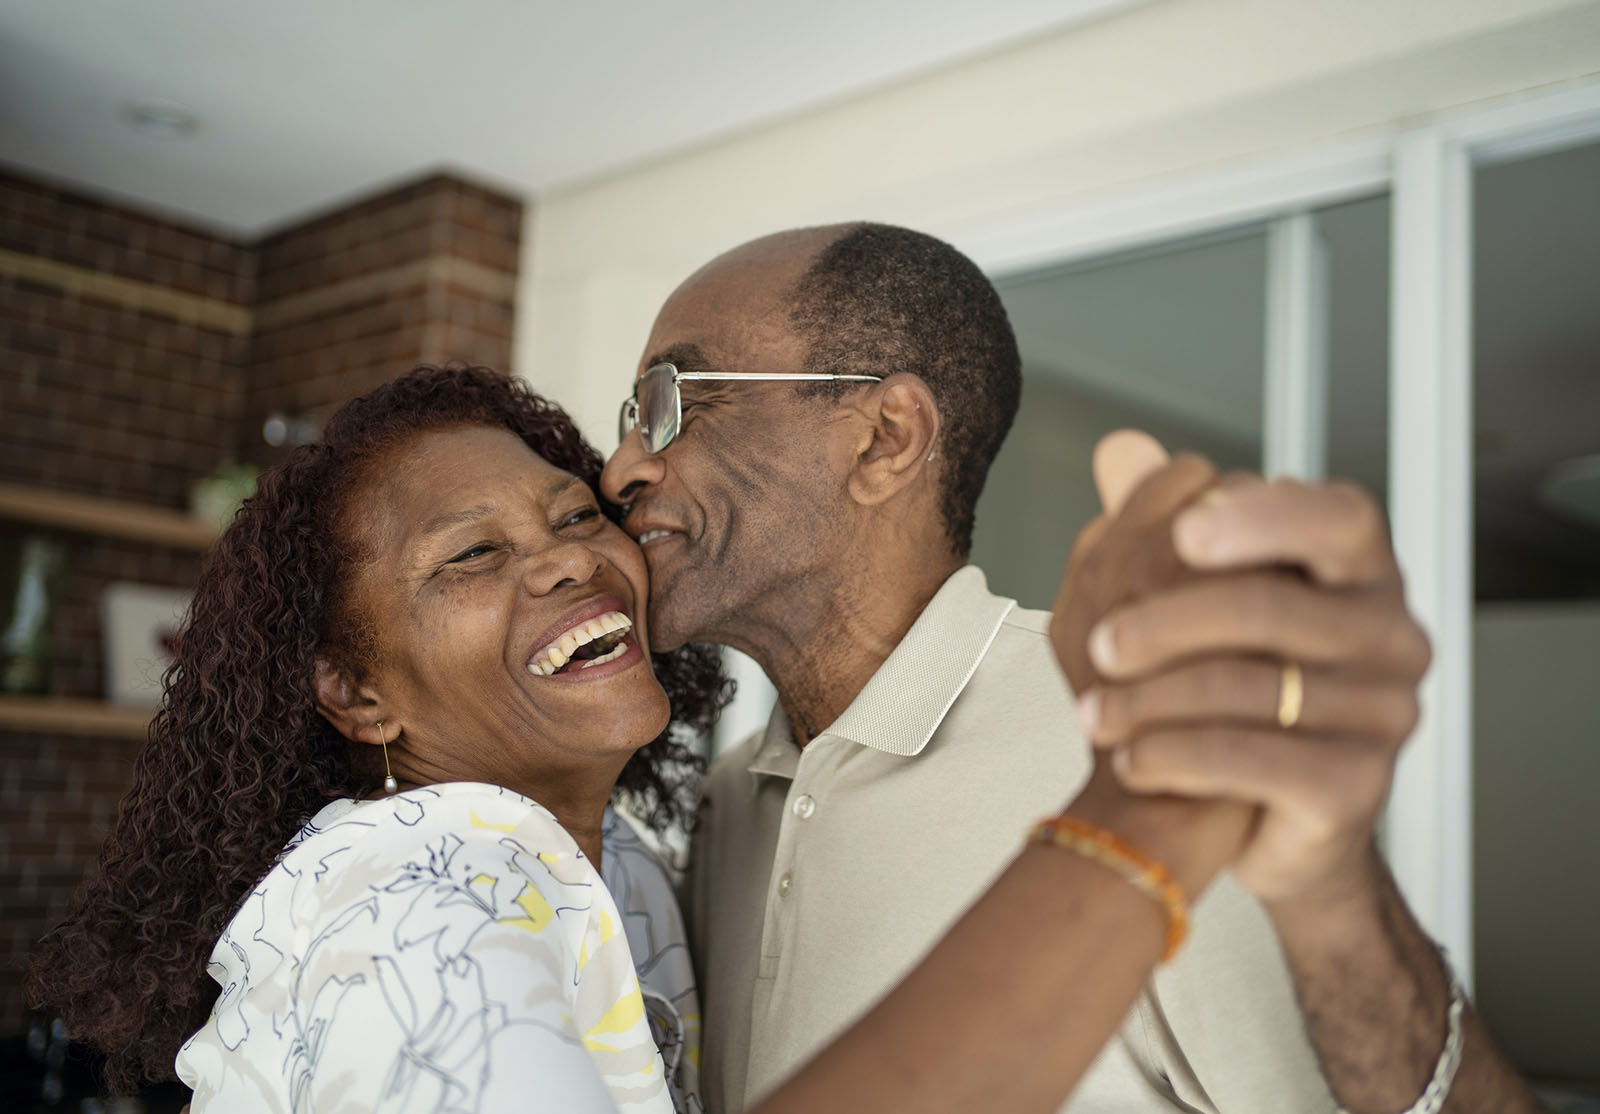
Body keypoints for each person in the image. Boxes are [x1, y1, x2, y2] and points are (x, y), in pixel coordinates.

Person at [31, 365, 1275, 1113]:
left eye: (575, 514)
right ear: (358, 697)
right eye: (474, 555)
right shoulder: (425, 889)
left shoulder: (625, 855)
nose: (573, 553)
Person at [599, 223, 1540, 1114]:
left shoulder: (1138, 743)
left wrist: (1334, 893)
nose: (622, 468)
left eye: (671, 401)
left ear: (885, 438)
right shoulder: (729, 805)